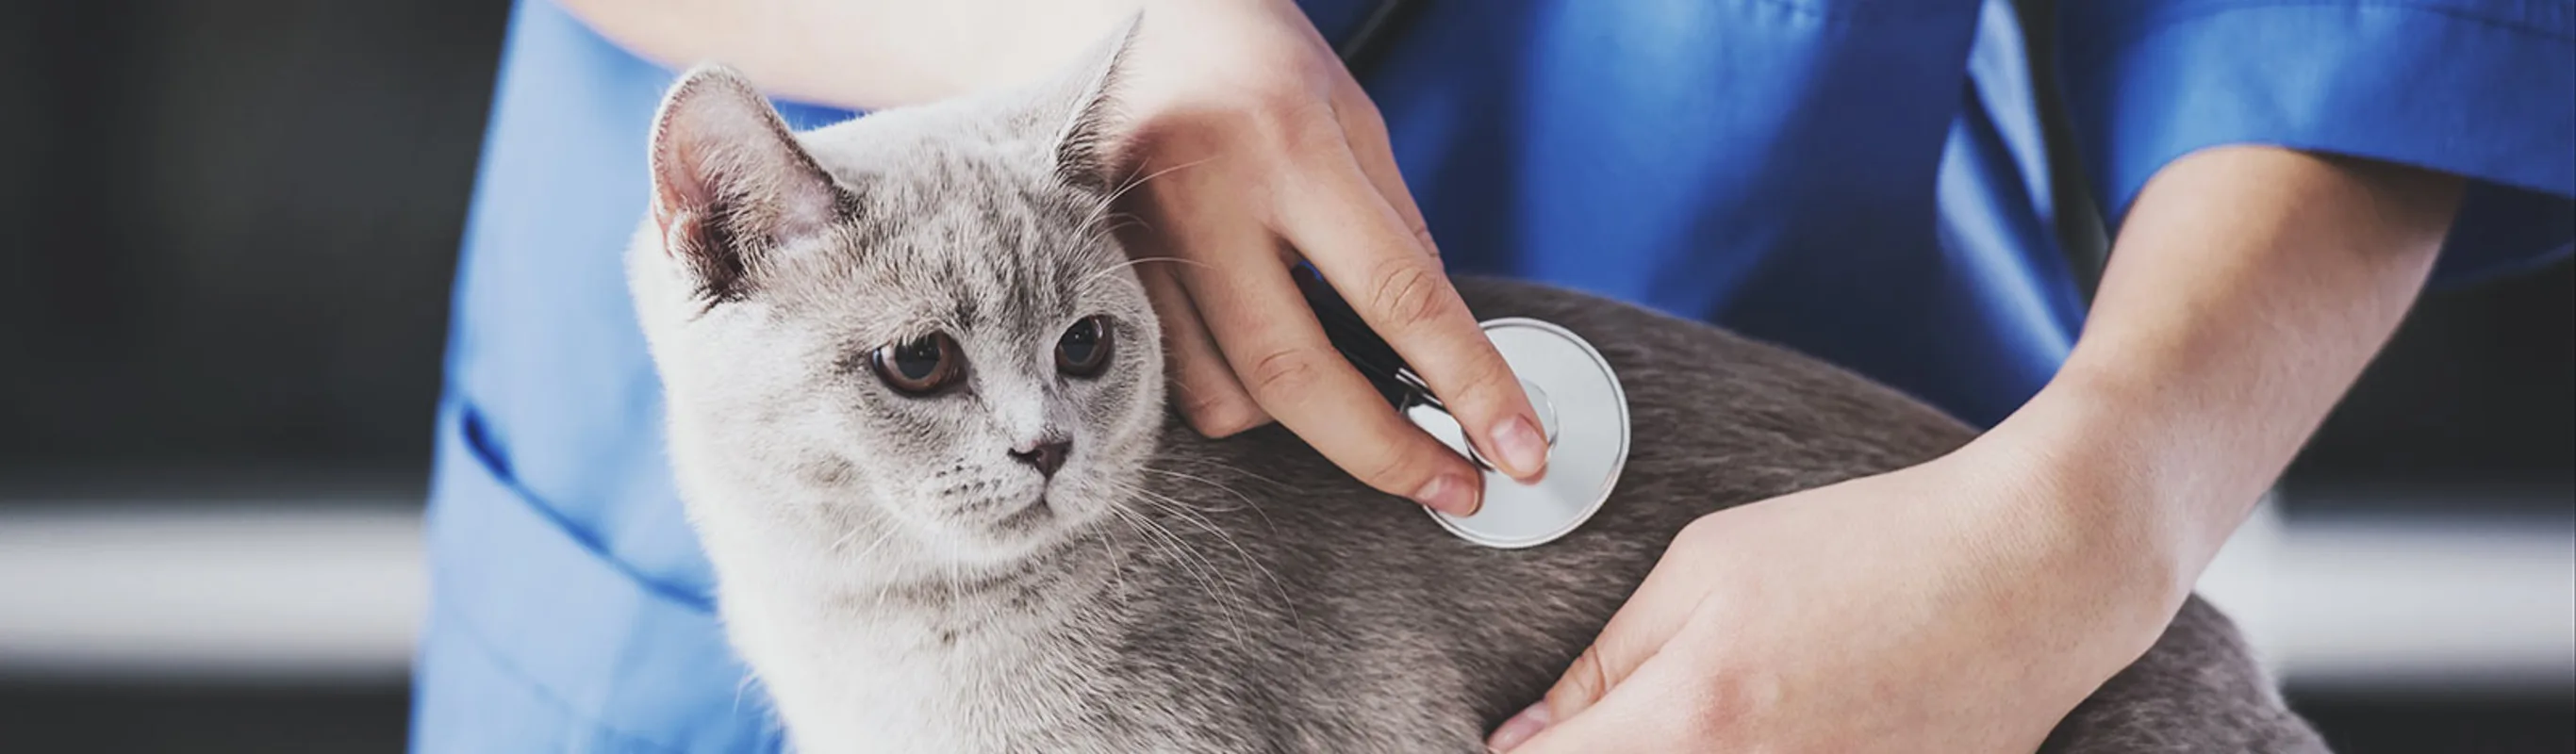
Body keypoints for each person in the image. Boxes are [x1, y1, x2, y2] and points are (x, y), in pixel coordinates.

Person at [411, 0, 2573, 750]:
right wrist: (1020, 55)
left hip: (1862, 527)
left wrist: (2092, 519)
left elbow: (2369, 16)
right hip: (848, 267)